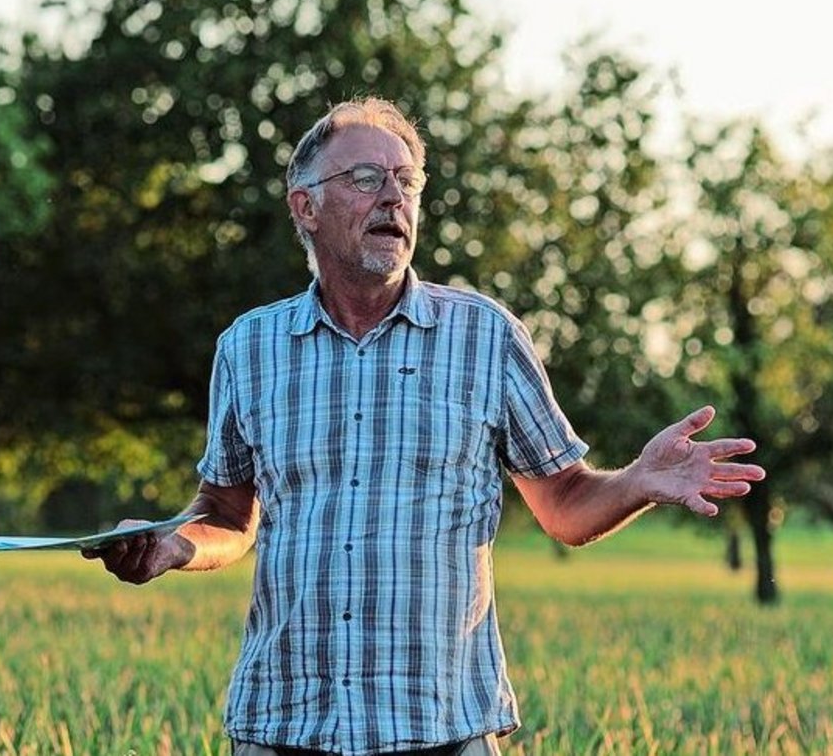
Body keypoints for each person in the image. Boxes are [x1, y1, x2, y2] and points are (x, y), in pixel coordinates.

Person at [82, 98, 764, 756]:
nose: (393, 197)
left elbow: (564, 505)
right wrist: (172, 545)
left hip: (443, 729)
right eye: (365, 177)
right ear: (305, 206)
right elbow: (228, 516)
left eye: (407, 181)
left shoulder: (485, 337)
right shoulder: (248, 348)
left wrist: (638, 480)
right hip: (281, 725)